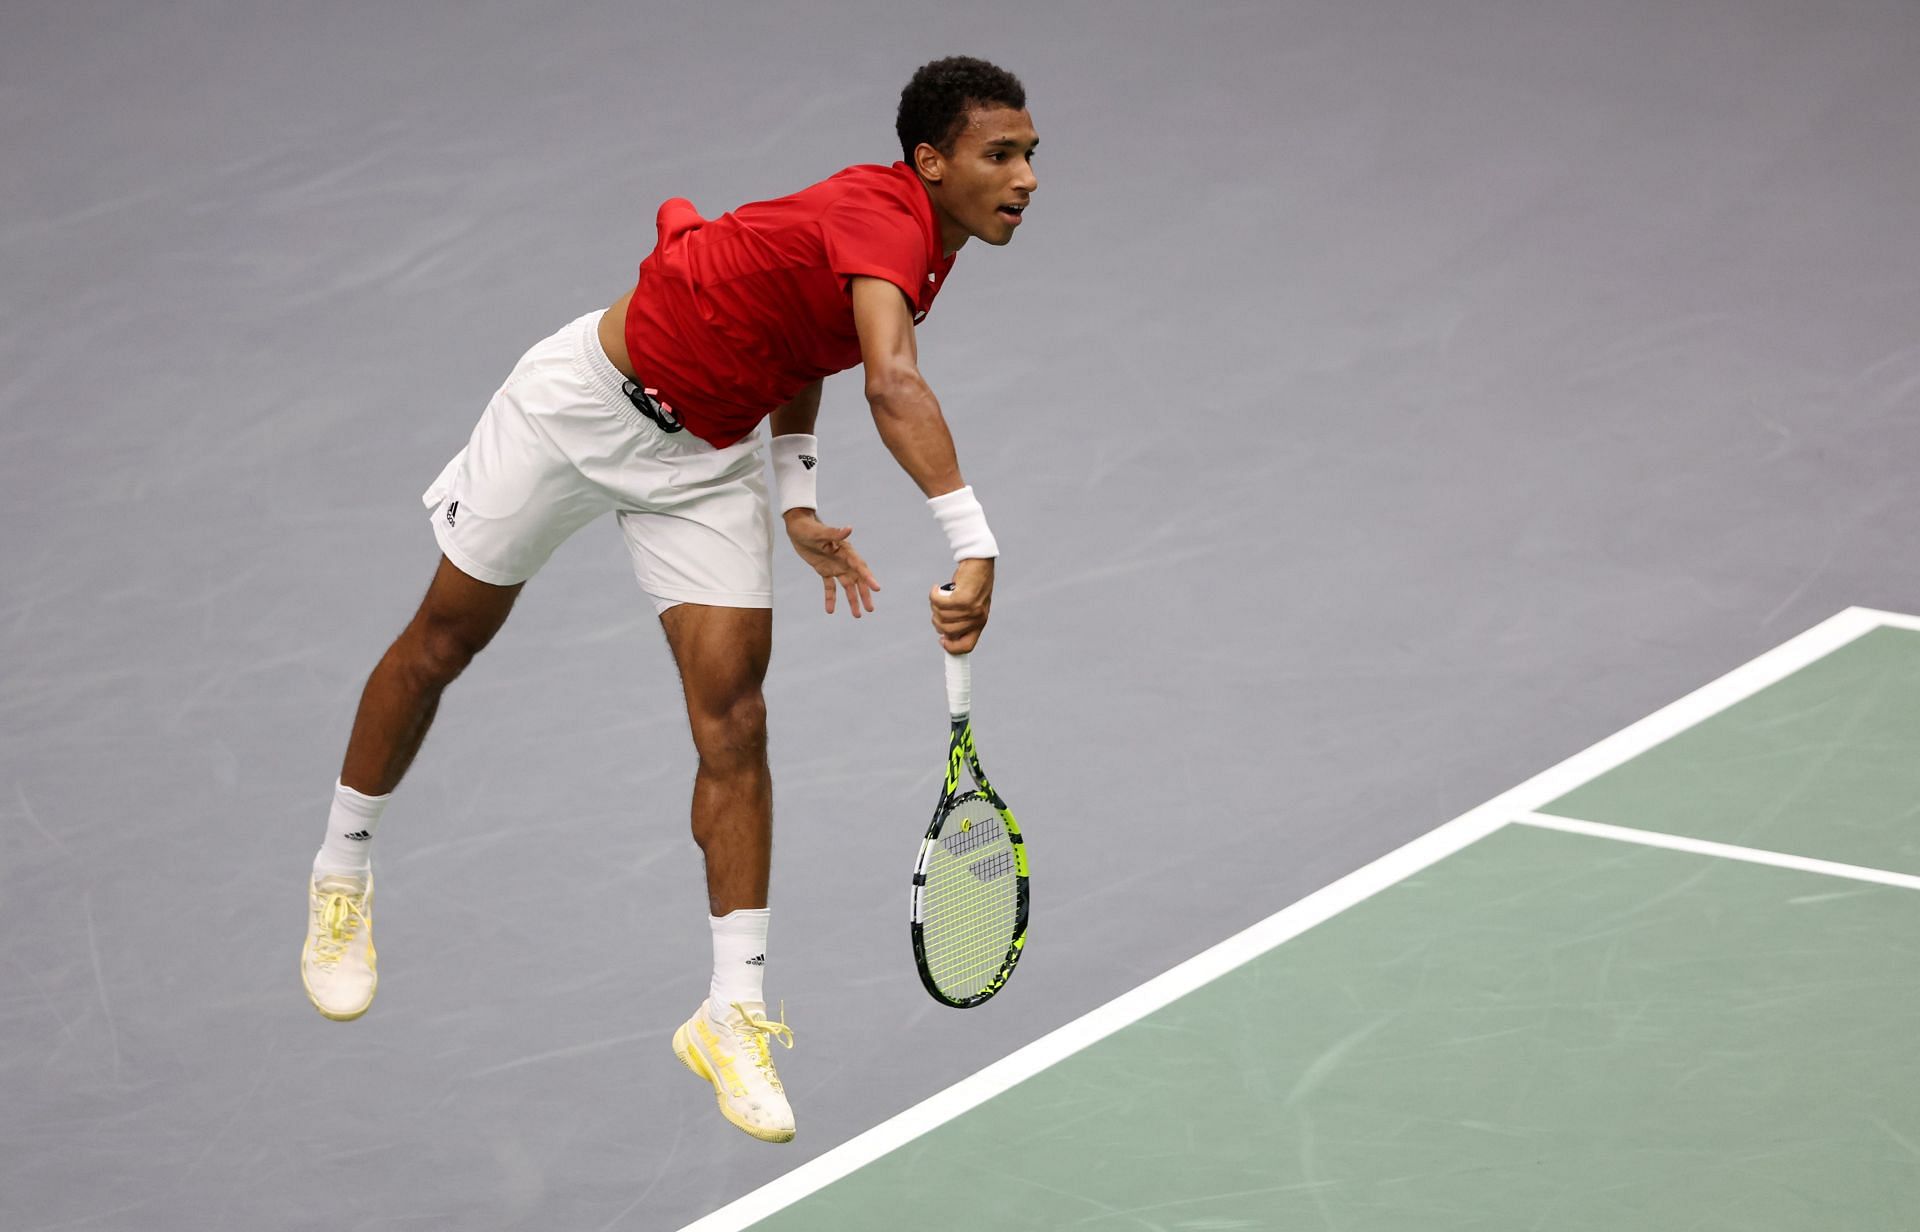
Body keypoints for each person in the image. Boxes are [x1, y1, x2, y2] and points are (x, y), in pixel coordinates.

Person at [297, 55, 1038, 1144]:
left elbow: (807, 339)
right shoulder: (886, 216)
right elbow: (890, 380)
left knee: (735, 713)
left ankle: (730, 1010)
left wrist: (794, 494)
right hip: (577, 411)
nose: (1025, 177)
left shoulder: (918, 245)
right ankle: (340, 874)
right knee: (444, 639)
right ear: (930, 162)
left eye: (1029, 155)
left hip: (705, 457)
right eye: (1000, 155)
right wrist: (974, 540)